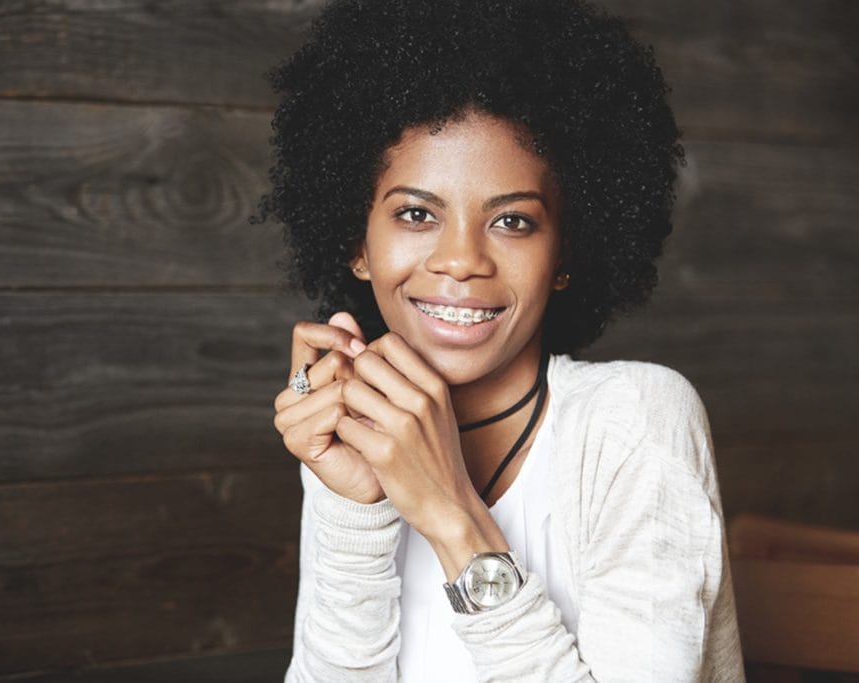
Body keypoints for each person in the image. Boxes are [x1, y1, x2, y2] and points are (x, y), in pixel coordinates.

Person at [261, 0, 745, 679]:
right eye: (417, 212)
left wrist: (452, 513)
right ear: (355, 242)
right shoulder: (364, 435)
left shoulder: (636, 420)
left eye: (513, 221)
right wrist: (351, 503)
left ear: (567, 252)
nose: (461, 259)